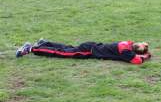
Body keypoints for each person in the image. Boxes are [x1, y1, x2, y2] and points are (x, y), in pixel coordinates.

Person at [16, 39, 151, 65]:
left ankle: (44, 43)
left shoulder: (127, 43)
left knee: (67, 49)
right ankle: (32, 49)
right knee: (63, 53)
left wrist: (142, 52)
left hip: (91, 45)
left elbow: (133, 54)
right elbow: (136, 61)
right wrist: (144, 57)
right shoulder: (127, 52)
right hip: (89, 51)